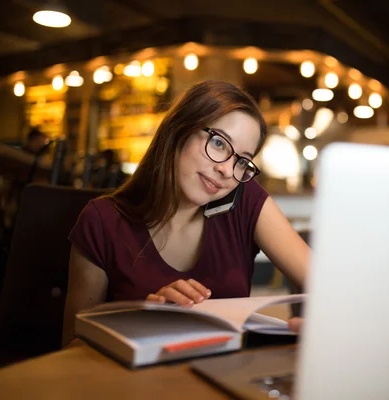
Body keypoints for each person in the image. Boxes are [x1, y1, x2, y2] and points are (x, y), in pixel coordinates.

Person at [62, 81, 310, 346]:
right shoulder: (102, 222)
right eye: (218, 143)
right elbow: (71, 347)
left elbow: (327, 288)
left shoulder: (244, 200)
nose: (227, 170)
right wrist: (140, 323)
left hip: (223, 379)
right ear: (179, 130)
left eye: (241, 160)